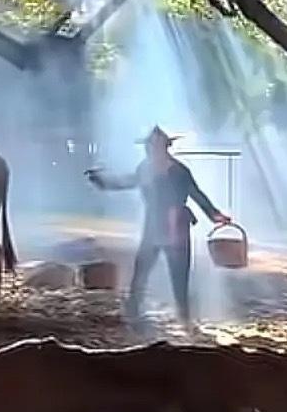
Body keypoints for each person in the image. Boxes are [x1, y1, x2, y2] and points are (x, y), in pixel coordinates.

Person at [86, 126, 230, 327]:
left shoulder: (179, 171)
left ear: (164, 147)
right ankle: (133, 311)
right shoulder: (145, 168)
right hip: (153, 226)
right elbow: (128, 181)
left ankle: (184, 318)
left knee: (179, 277)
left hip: (176, 228)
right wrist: (102, 181)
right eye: (149, 146)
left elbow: (196, 194)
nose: (150, 149)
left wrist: (215, 214)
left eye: (153, 145)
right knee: (141, 272)